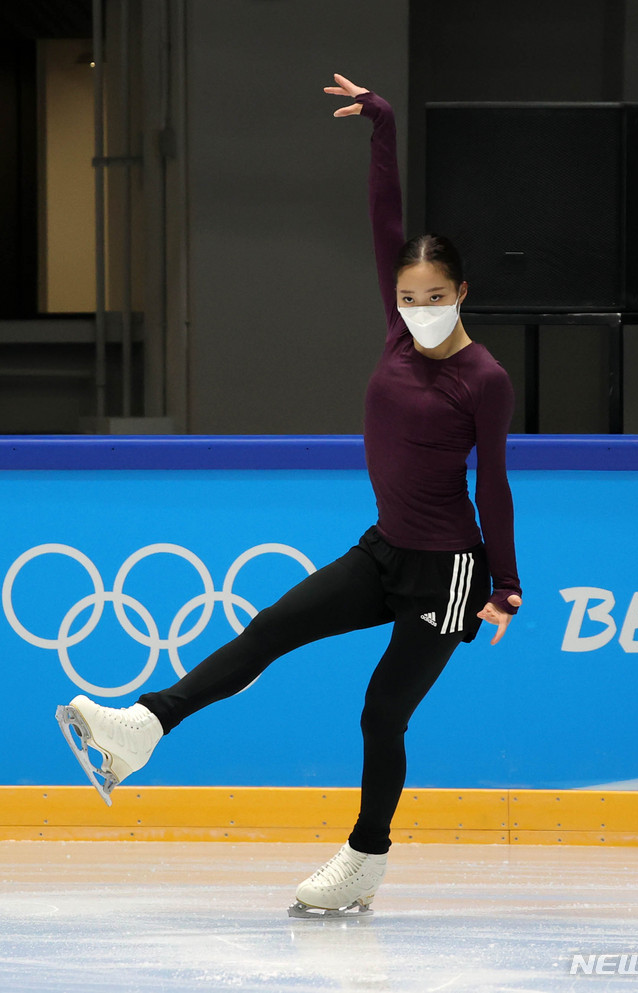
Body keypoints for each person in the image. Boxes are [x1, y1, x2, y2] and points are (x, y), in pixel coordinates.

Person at [56, 74, 522, 918]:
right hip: (382, 551)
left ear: (462, 294)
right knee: (269, 627)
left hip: (449, 572)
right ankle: (143, 728)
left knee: (381, 715)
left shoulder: (484, 378)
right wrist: (381, 128)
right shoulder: (394, 331)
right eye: (408, 297)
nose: (418, 310)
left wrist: (506, 582)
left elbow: (492, 481)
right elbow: (384, 217)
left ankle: (365, 860)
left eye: (434, 298)